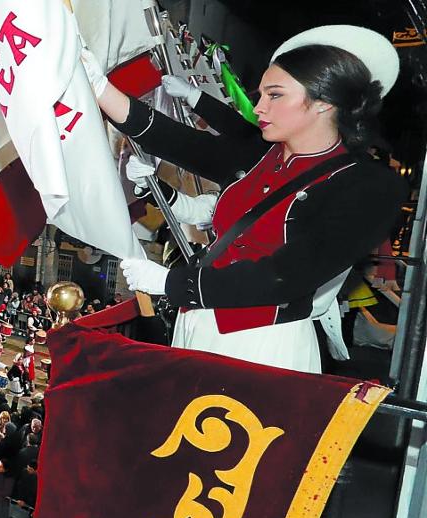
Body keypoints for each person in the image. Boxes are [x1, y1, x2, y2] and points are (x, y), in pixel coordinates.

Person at [93, 25, 407, 373]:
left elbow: (286, 276)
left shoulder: (369, 186)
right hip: (196, 325)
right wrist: (99, 88)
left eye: (274, 95)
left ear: (324, 103)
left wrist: (171, 283)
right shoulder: (262, 155)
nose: (258, 107)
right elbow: (175, 141)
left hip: (264, 345)